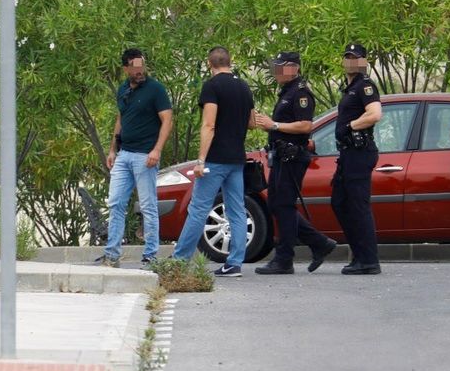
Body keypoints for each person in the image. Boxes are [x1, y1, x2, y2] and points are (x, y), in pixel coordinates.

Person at [170, 46, 254, 277]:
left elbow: (209, 124)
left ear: (210, 63)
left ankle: (179, 260)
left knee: (198, 209)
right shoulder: (244, 87)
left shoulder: (212, 86)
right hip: (237, 158)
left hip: (215, 159)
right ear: (230, 61)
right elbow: (252, 122)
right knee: (237, 210)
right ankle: (235, 263)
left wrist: (200, 160)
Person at [252, 52, 337, 275]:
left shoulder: (301, 93)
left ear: (294, 68)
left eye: (281, 67)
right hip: (281, 156)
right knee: (277, 204)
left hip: (293, 157)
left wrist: (274, 126)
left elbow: (305, 126)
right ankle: (319, 243)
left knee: (284, 205)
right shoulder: (287, 92)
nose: (277, 71)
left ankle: (284, 259)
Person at [97, 49, 174, 268]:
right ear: (126, 69)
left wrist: (157, 150)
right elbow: (120, 119)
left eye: (142, 65)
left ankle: (150, 255)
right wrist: (113, 150)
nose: (140, 71)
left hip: (145, 155)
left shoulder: (156, 90)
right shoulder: (123, 89)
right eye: (135, 66)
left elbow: (167, 120)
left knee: (148, 206)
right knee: (116, 203)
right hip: (124, 154)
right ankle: (112, 254)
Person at [331, 42, 382, 275]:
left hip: (360, 152)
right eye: (347, 57)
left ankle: (369, 260)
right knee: (340, 202)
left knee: (358, 206)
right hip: (348, 153)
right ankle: (358, 254)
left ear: (363, 62)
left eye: (356, 57)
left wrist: (350, 126)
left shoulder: (365, 86)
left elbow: (375, 114)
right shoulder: (349, 88)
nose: (351, 61)